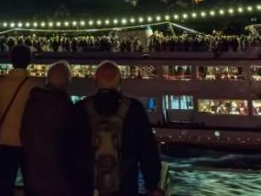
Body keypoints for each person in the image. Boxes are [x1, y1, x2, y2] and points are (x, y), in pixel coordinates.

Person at [74, 61, 164, 196]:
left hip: (89, 188)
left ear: (95, 81)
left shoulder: (80, 109)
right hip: (125, 188)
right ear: (119, 82)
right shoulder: (135, 109)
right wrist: (152, 185)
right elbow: (148, 151)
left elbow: (71, 151)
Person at [20, 61, 77, 196]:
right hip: (58, 177)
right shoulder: (65, 106)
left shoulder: (33, 101)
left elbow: (24, 134)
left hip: (33, 174)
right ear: (67, 82)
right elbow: (72, 143)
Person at [0, 44, 40, 196]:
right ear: (29, 61)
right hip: (28, 144)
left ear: (11, 60)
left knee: (5, 187)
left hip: (4, 143)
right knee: (31, 186)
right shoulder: (35, 86)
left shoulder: (0, 85)